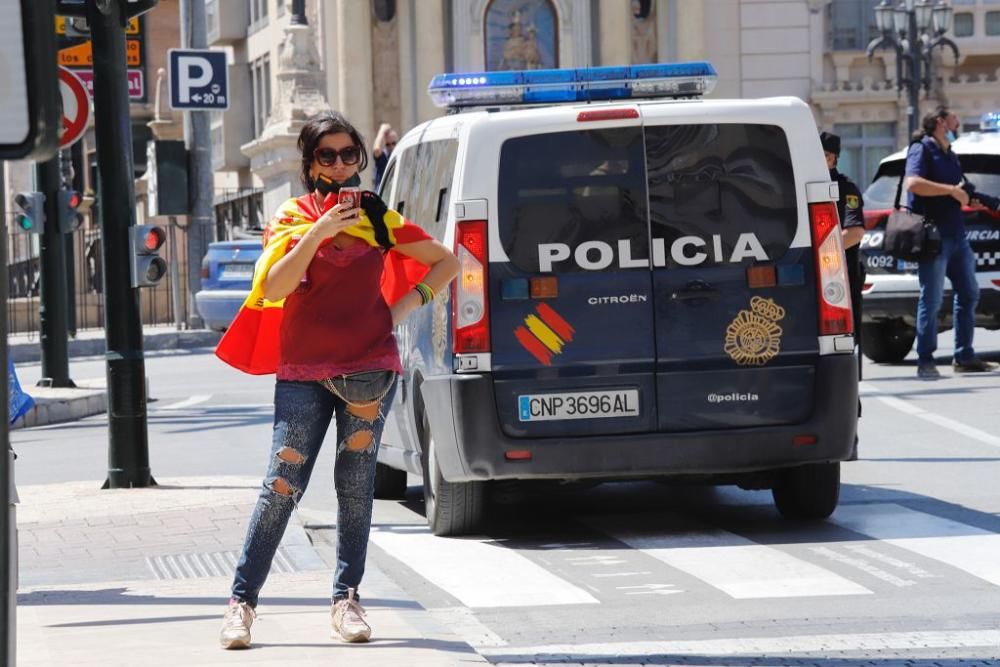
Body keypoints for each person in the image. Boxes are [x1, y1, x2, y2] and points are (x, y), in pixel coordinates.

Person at [213, 111, 460, 649]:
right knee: (281, 486)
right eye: (328, 155)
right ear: (310, 164)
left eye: (351, 154)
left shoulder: (377, 217)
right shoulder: (291, 216)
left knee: (355, 489)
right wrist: (321, 232)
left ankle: (346, 599)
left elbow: (444, 262)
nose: (342, 164)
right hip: (303, 372)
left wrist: (397, 312)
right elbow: (275, 287)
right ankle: (241, 605)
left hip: (370, 369)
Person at [905, 106, 998, 379]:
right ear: (940, 122)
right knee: (931, 300)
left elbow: (963, 191)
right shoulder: (921, 149)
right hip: (934, 236)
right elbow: (913, 184)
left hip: (957, 235)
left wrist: (983, 200)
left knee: (969, 293)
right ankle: (925, 360)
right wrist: (951, 192)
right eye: (954, 118)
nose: (958, 122)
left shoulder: (949, 154)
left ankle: (964, 355)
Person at [821, 130, 865, 460]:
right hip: (809, 286)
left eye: (825, 155)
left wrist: (821, 253)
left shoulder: (845, 188)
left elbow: (855, 232)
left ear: (833, 158)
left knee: (844, 354)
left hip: (840, 284)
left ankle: (849, 436)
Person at [371, 122, 398, 191]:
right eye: (388, 144)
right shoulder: (384, 158)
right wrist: (382, 130)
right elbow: (377, 149)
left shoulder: (401, 157)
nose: (391, 146)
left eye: (393, 143)